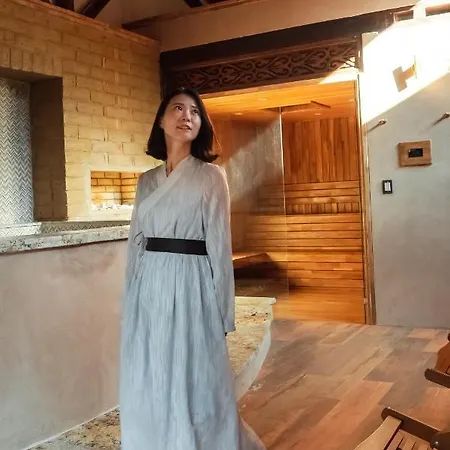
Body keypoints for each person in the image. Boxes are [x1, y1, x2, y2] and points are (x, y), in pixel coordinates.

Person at [119, 86, 266, 450]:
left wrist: (223, 312)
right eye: (178, 109)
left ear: (201, 124)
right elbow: (136, 241)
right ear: (161, 120)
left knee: (194, 370)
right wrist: (131, 297)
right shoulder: (146, 181)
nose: (187, 116)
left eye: (195, 112)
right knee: (153, 367)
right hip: (150, 283)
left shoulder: (211, 176)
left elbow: (219, 245)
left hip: (191, 283)